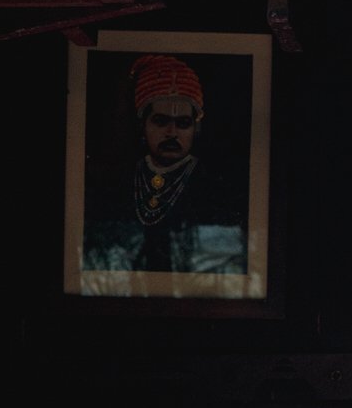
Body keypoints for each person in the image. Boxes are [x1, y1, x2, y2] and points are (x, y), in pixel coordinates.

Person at [82, 54, 246, 276]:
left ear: (195, 129)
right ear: (143, 126)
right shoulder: (119, 181)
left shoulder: (214, 187)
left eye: (183, 123)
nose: (172, 133)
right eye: (161, 121)